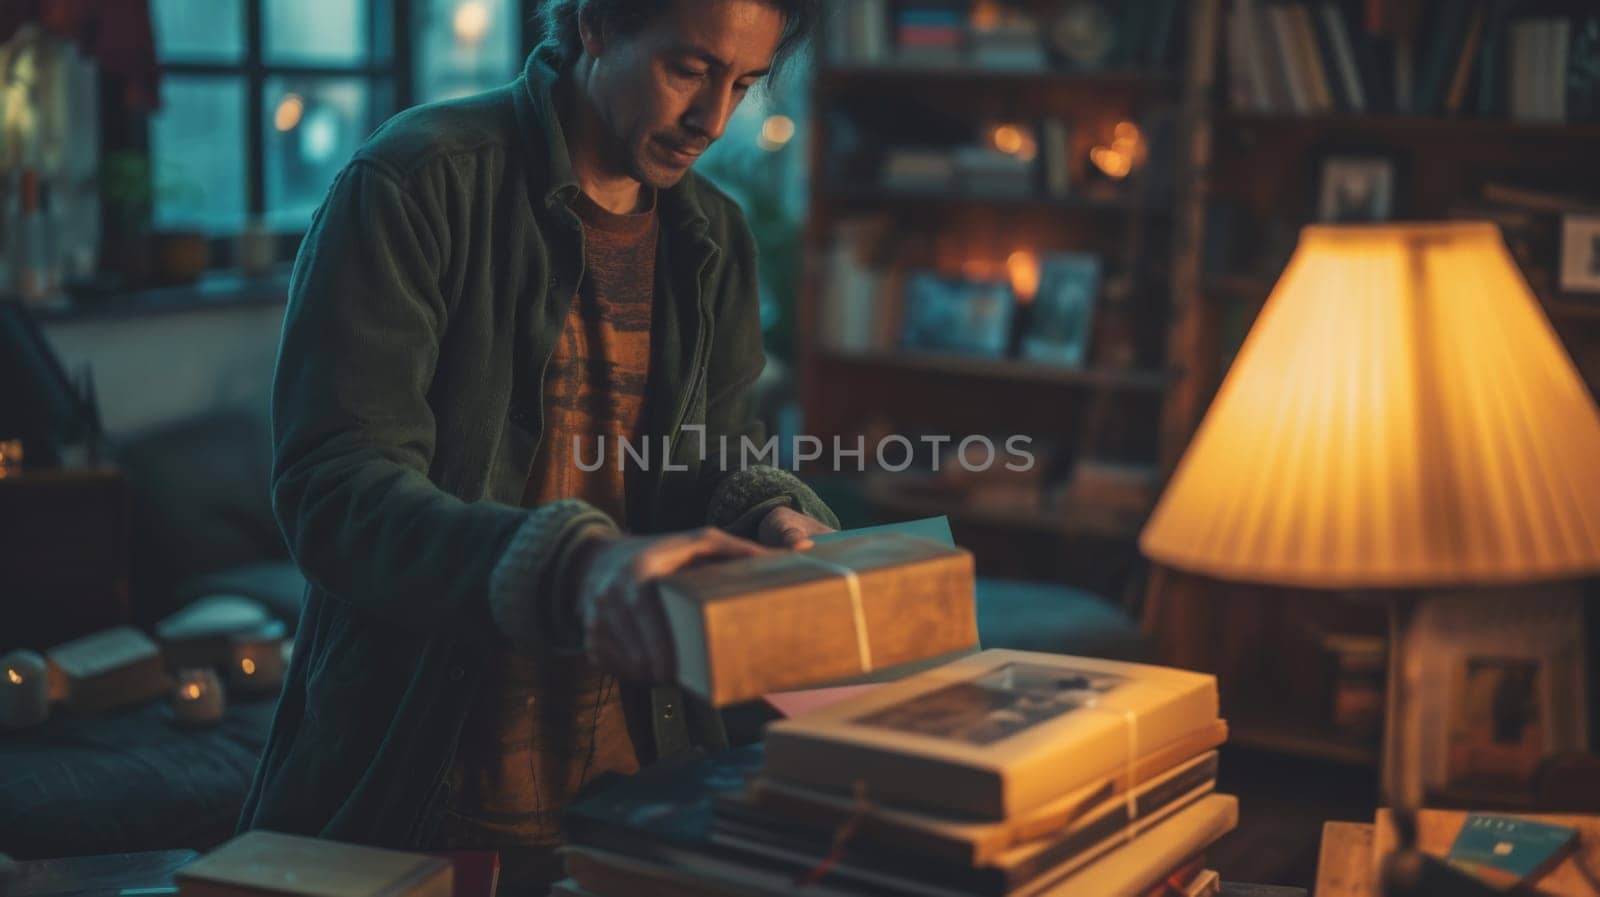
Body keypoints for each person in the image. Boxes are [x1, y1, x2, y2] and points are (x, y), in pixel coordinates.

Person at [239, 0, 833, 889]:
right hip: (422, 779)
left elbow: (717, 455)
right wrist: (569, 567)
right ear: (595, 25)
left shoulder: (717, 237)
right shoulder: (416, 180)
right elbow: (336, 488)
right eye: (689, 70)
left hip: (642, 790)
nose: (714, 120)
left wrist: (770, 513)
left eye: (743, 84)